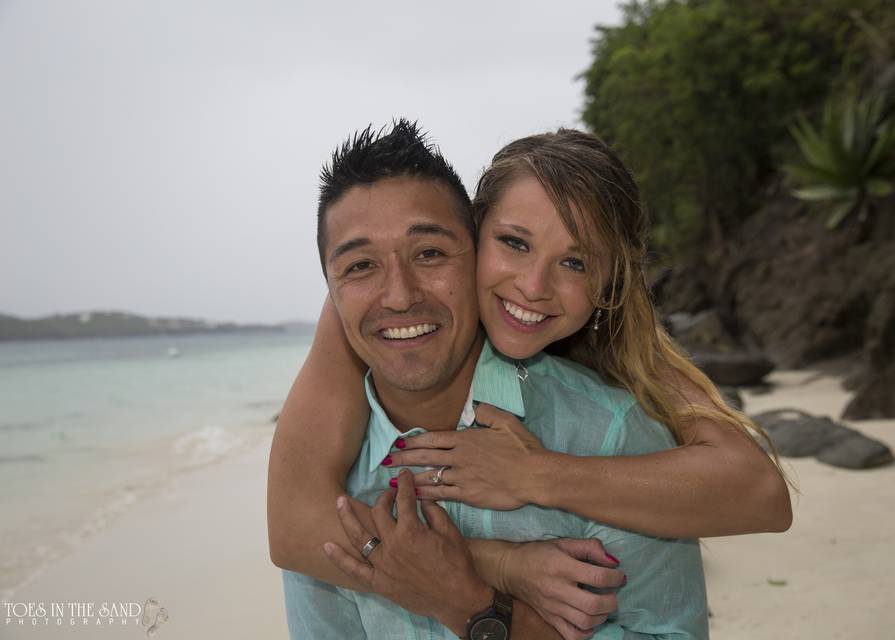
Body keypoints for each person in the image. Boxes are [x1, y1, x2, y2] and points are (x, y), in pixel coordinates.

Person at [269, 122, 792, 637]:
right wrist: (495, 564)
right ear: (478, 234)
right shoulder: (341, 449)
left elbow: (760, 491)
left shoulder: (619, 413)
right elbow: (292, 527)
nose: (534, 286)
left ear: (610, 283)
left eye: (575, 262)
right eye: (515, 244)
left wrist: (537, 476)